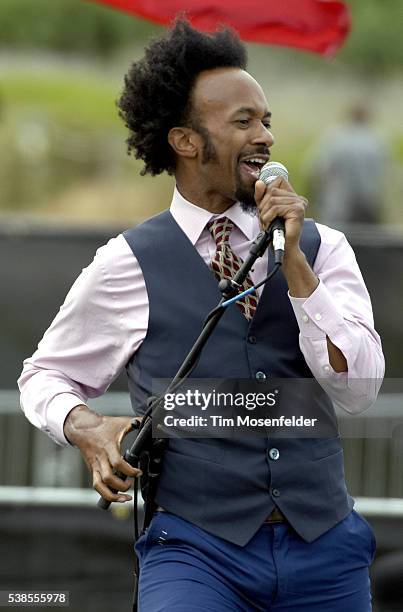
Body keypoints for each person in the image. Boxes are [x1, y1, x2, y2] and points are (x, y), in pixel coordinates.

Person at [18, 20, 385, 612]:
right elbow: (43, 377)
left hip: (325, 547)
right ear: (186, 141)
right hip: (195, 552)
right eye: (243, 122)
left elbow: (359, 390)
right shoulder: (126, 263)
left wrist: (294, 263)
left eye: (267, 121)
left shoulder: (324, 249)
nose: (265, 136)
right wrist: (88, 429)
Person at [308, 103, 388, 226]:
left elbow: (316, 170)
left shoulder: (335, 138)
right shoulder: (377, 141)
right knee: (368, 241)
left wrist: (315, 198)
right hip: (369, 205)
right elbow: (384, 176)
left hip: (338, 207)